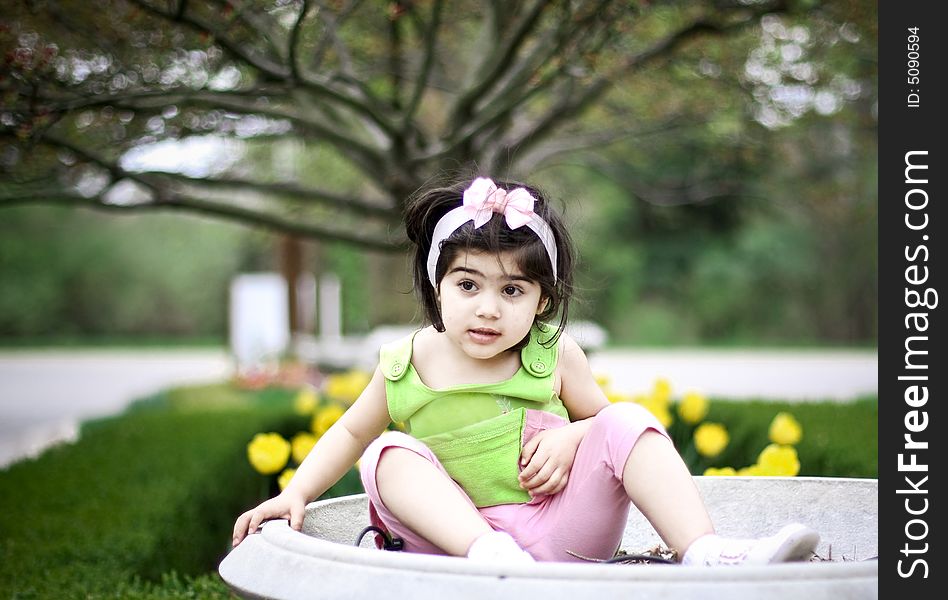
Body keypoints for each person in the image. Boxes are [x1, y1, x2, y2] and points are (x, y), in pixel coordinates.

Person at [232, 175, 819, 566]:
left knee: (628, 420)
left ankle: (706, 553)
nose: (488, 308)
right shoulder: (407, 362)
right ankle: (492, 556)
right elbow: (349, 431)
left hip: (559, 531)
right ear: (438, 288)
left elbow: (611, 430)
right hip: (456, 548)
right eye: (468, 285)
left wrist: (575, 433)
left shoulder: (555, 356)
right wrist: (297, 492)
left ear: (541, 301)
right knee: (385, 451)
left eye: (512, 289)